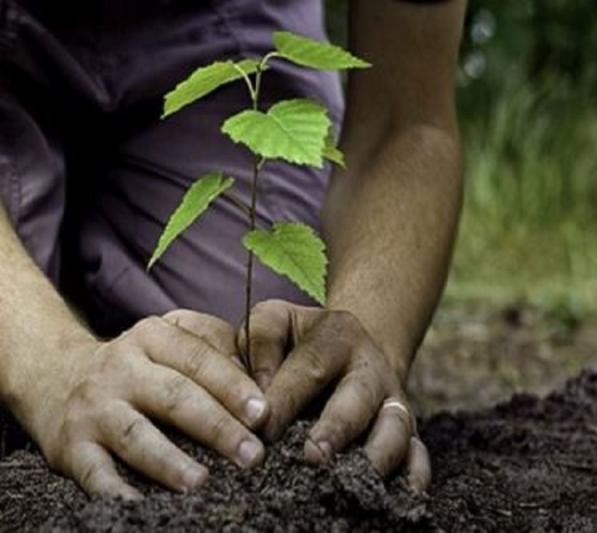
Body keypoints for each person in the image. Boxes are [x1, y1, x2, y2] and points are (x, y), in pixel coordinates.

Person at [0, 0, 466, 499]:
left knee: (258, 365)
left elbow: (409, 118)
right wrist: (51, 364)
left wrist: (368, 346)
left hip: (220, 21)